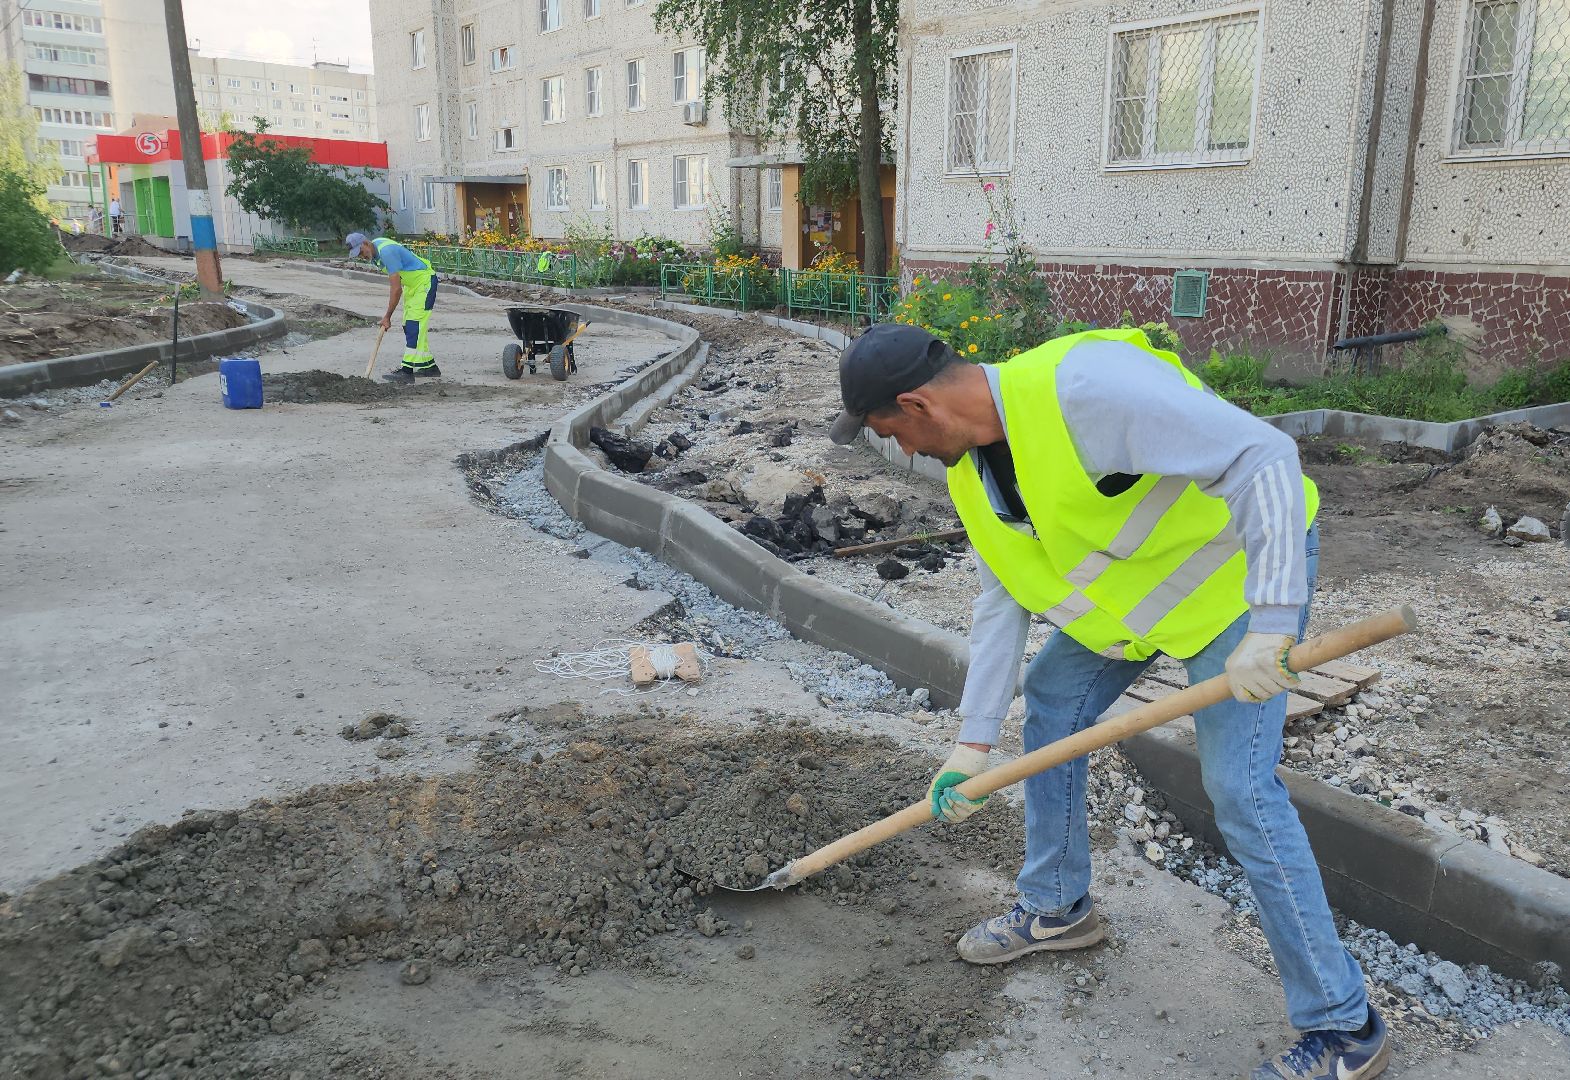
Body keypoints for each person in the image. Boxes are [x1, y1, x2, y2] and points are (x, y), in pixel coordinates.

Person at [827, 323, 1388, 1080]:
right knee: (1053, 699)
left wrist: (1275, 621)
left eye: (892, 432)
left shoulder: (1083, 389)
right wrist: (973, 741)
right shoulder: (969, 475)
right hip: (1138, 606)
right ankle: (1058, 907)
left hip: (1234, 588)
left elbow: (1264, 455)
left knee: (1240, 793)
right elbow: (1003, 599)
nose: (900, 450)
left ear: (915, 402)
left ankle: (1345, 1026)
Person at [346, 232, 440, 383]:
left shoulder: (386, 251)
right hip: (413, 286)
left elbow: (396, 289)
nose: (361, 256)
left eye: (361, 252)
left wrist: (387, 316)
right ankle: (429, 366)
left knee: (413, 326)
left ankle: (407, 371)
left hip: (424, 284)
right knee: (410, 326)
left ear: (366, 243)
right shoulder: (375, 252)